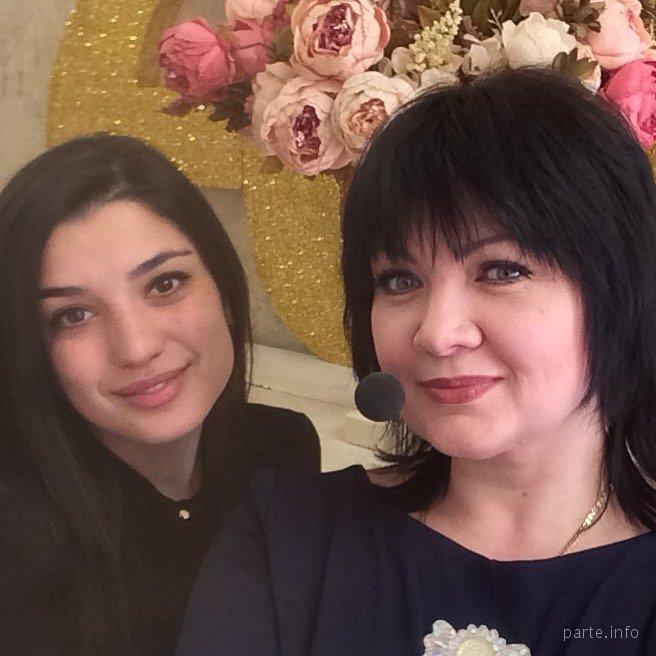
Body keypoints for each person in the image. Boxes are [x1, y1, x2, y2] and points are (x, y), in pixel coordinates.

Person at [174, 69, 656, 656]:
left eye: (501, 270)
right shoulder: (289, 538)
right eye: (400, 280)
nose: (437, 333)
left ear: (620, 288)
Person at [0, 134, 320, 656]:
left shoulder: (280, 449)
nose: (136, 348)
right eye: (73, 315)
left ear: (223, 287)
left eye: (165, 284)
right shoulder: (18, 540)